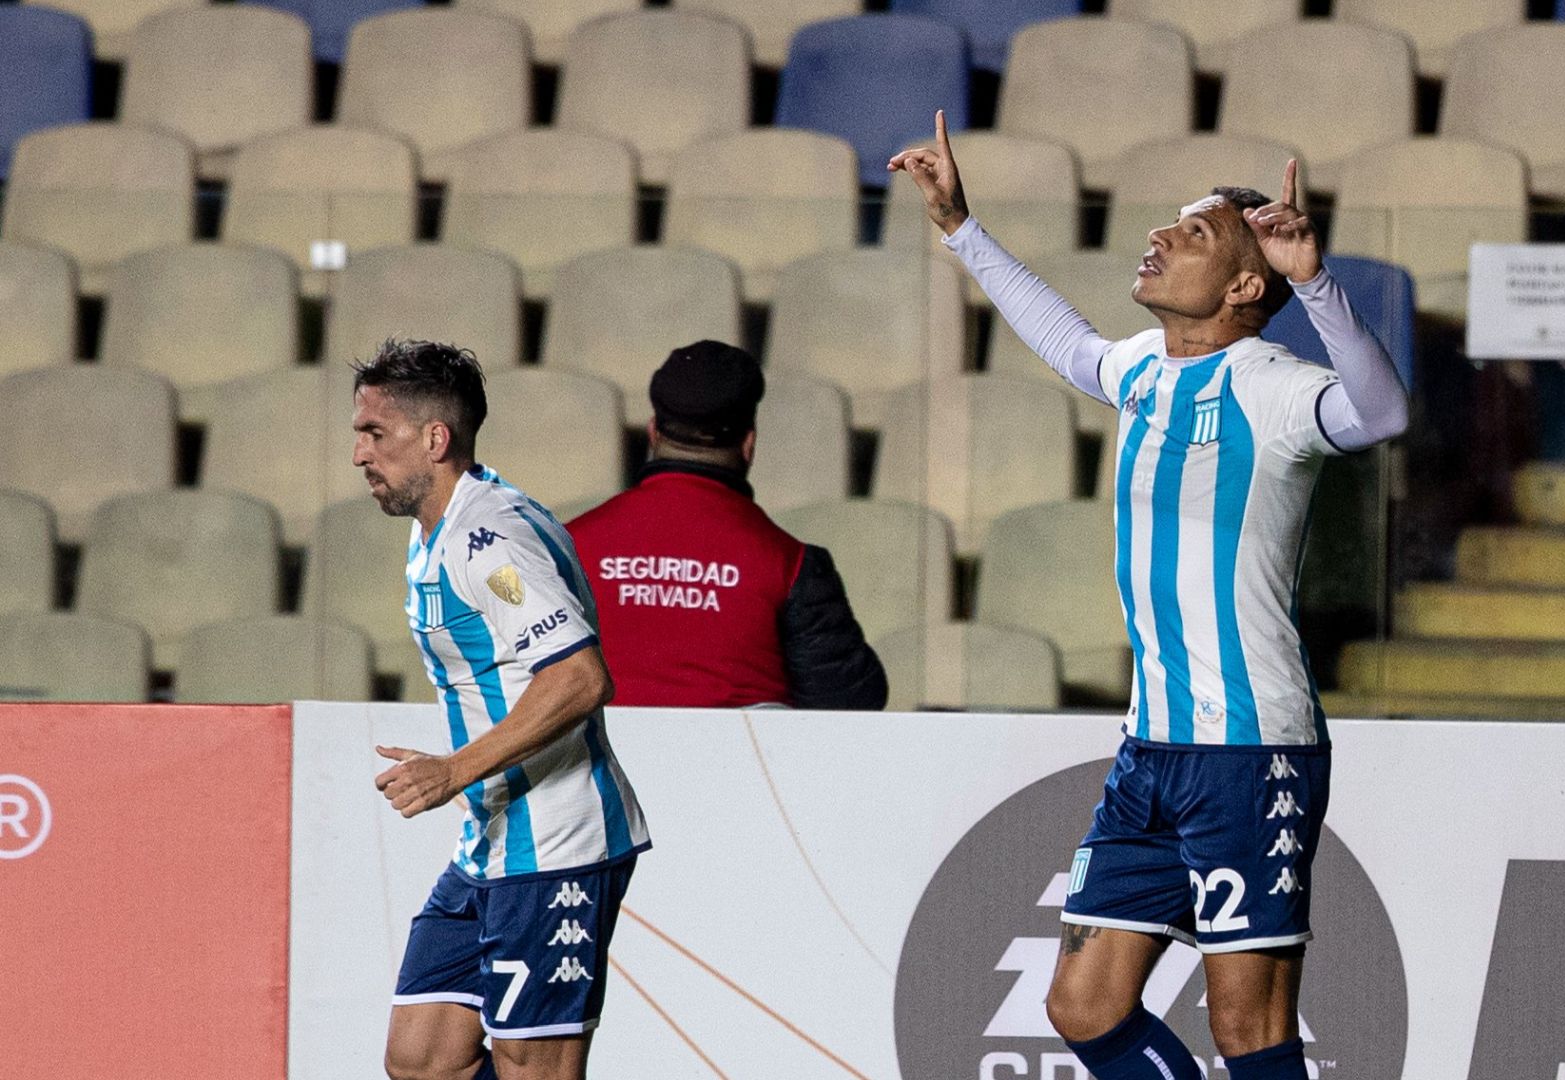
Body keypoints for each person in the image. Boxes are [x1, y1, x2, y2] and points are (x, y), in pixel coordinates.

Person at [891, 113, 1409, 1080]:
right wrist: (960, 225)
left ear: (1247, 286)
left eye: (1196, 233)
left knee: (1247, 1031)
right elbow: (1063, 337)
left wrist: (1317, 284)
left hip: (1251, 751)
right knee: (1083, 1006)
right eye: (1171, 224)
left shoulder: (1274, 387)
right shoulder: (1138, 369)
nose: (1163, 237)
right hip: (1151, 749)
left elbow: (1382, 411)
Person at [349, 339, 649, 1080]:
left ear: (435, 438)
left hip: (555, 847)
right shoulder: (443, 528)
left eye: (374, 434)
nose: (359, 454)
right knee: (421, 1060)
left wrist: (454, 770)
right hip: (491, 841)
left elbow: (579, 677)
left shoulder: (490, 543)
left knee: (533, 1067)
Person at [567, 340, 888, 710]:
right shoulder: (790, 563)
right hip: (740, 767)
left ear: (653, 432)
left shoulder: (568, 544)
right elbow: (851, 701)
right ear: (749, 444)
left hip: (593, 765)